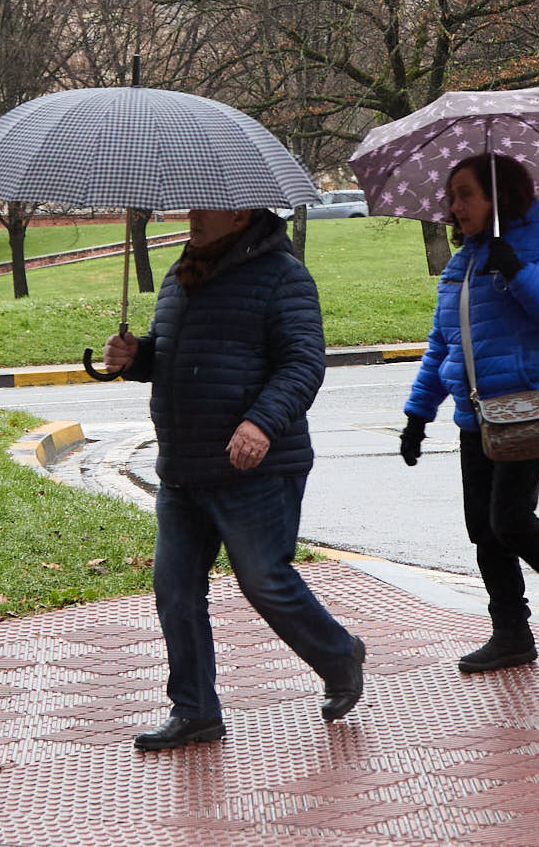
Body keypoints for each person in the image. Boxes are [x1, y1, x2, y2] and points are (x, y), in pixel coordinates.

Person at [103, 207, 365, 751]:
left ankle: (339, 656)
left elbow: (302, 362)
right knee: (175, 590)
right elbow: (180, 354)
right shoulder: (184, 270)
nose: (192, 216)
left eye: (204, 206)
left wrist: (260, 422)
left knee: (264, 580)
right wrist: (139, 356)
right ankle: (195, 710)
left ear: (241, 213)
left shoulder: (281, 274)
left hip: (257, 466)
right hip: (185, 466)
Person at [398, 153, 539, 673]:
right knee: (483, 527)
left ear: (500, 195)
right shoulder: (462, 262)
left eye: (466, 195)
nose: (455, 207)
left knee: (510, 519)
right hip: (477, 412)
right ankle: (512, 635)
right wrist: (418, 413)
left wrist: (517, 269)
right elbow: (442, 343)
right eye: (451, 197)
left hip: (528, 406)